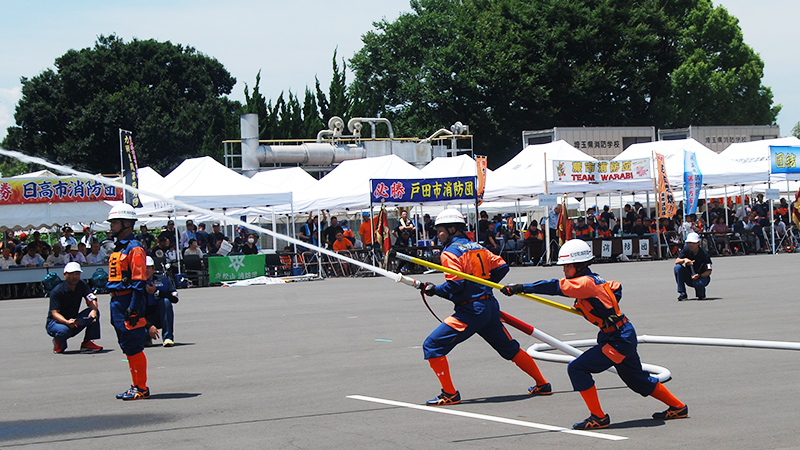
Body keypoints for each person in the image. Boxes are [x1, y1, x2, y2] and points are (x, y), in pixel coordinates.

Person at [501, 239, 688, 430]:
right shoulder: (595, 279)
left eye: (567, 266)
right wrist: (602, 309)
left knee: (577, 368)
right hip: (621, 333)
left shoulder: (584, 283)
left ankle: (598, 417)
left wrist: (521, 288)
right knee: (637, 380)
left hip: (617, 340)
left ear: (580, 265)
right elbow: (616, 287)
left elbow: (553, 287)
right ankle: (678, 407)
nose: (564, 270)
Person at [415, 208, 551, 406]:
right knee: (510, 349)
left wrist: (435, 290)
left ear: (452, 229)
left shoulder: (450, 253)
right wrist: (484, 283)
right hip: (489, 307)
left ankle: (450, 394)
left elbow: (455, 284)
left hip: (470, 312)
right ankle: (542, 383)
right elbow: (503, 266)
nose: (438, 234)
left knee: (432, 345)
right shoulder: (477, 246)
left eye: (440, 230)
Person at [105, 203, 151, 401]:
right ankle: (135, 385)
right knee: (126, 345)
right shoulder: (120, 247)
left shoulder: (135, 249)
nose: (112, 226)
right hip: (117, 301)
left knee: (133, 345)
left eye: (115, 222)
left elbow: (139, 281)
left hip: (127, 300)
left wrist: (134, 307)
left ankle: (141, 387)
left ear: (127, 223)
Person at [46, 262, 103, 354]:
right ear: (65, 275)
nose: (75, 277)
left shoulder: (82, 285)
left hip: (73, 320)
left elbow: (91, 298)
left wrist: (93, 310)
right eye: (71, 274)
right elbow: (55, 313)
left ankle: (87, 343)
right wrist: (67, 322)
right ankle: (59, 342)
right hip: (55, 323)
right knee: (64, 331)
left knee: (94, 313)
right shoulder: (57, 291)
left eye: (77, 274)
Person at [144, 256, 179, 347]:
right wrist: (149, 326)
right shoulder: (136, 283)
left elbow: (174, 299)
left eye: (148, 267)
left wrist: (157, 292)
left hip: (159, 315)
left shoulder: (163, 280)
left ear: (153, 268)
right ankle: (146, 337)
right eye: (143, 267)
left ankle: (168, 337)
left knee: (166, 302)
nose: (146, 270)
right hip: (142, 319)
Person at [674, 232, 712, 300]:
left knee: (698, 285)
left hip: (702, 277)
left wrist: (699, 275)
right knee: (678, 268)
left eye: (693, 243)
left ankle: (701, 293)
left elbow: (709, 271)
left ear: (698, 243)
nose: (691, 245)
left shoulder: (704, 254)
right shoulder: (686, 249)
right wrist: (684, 260)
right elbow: (677, 261)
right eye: (689, 243)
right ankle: (682, 293)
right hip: (689, 276)